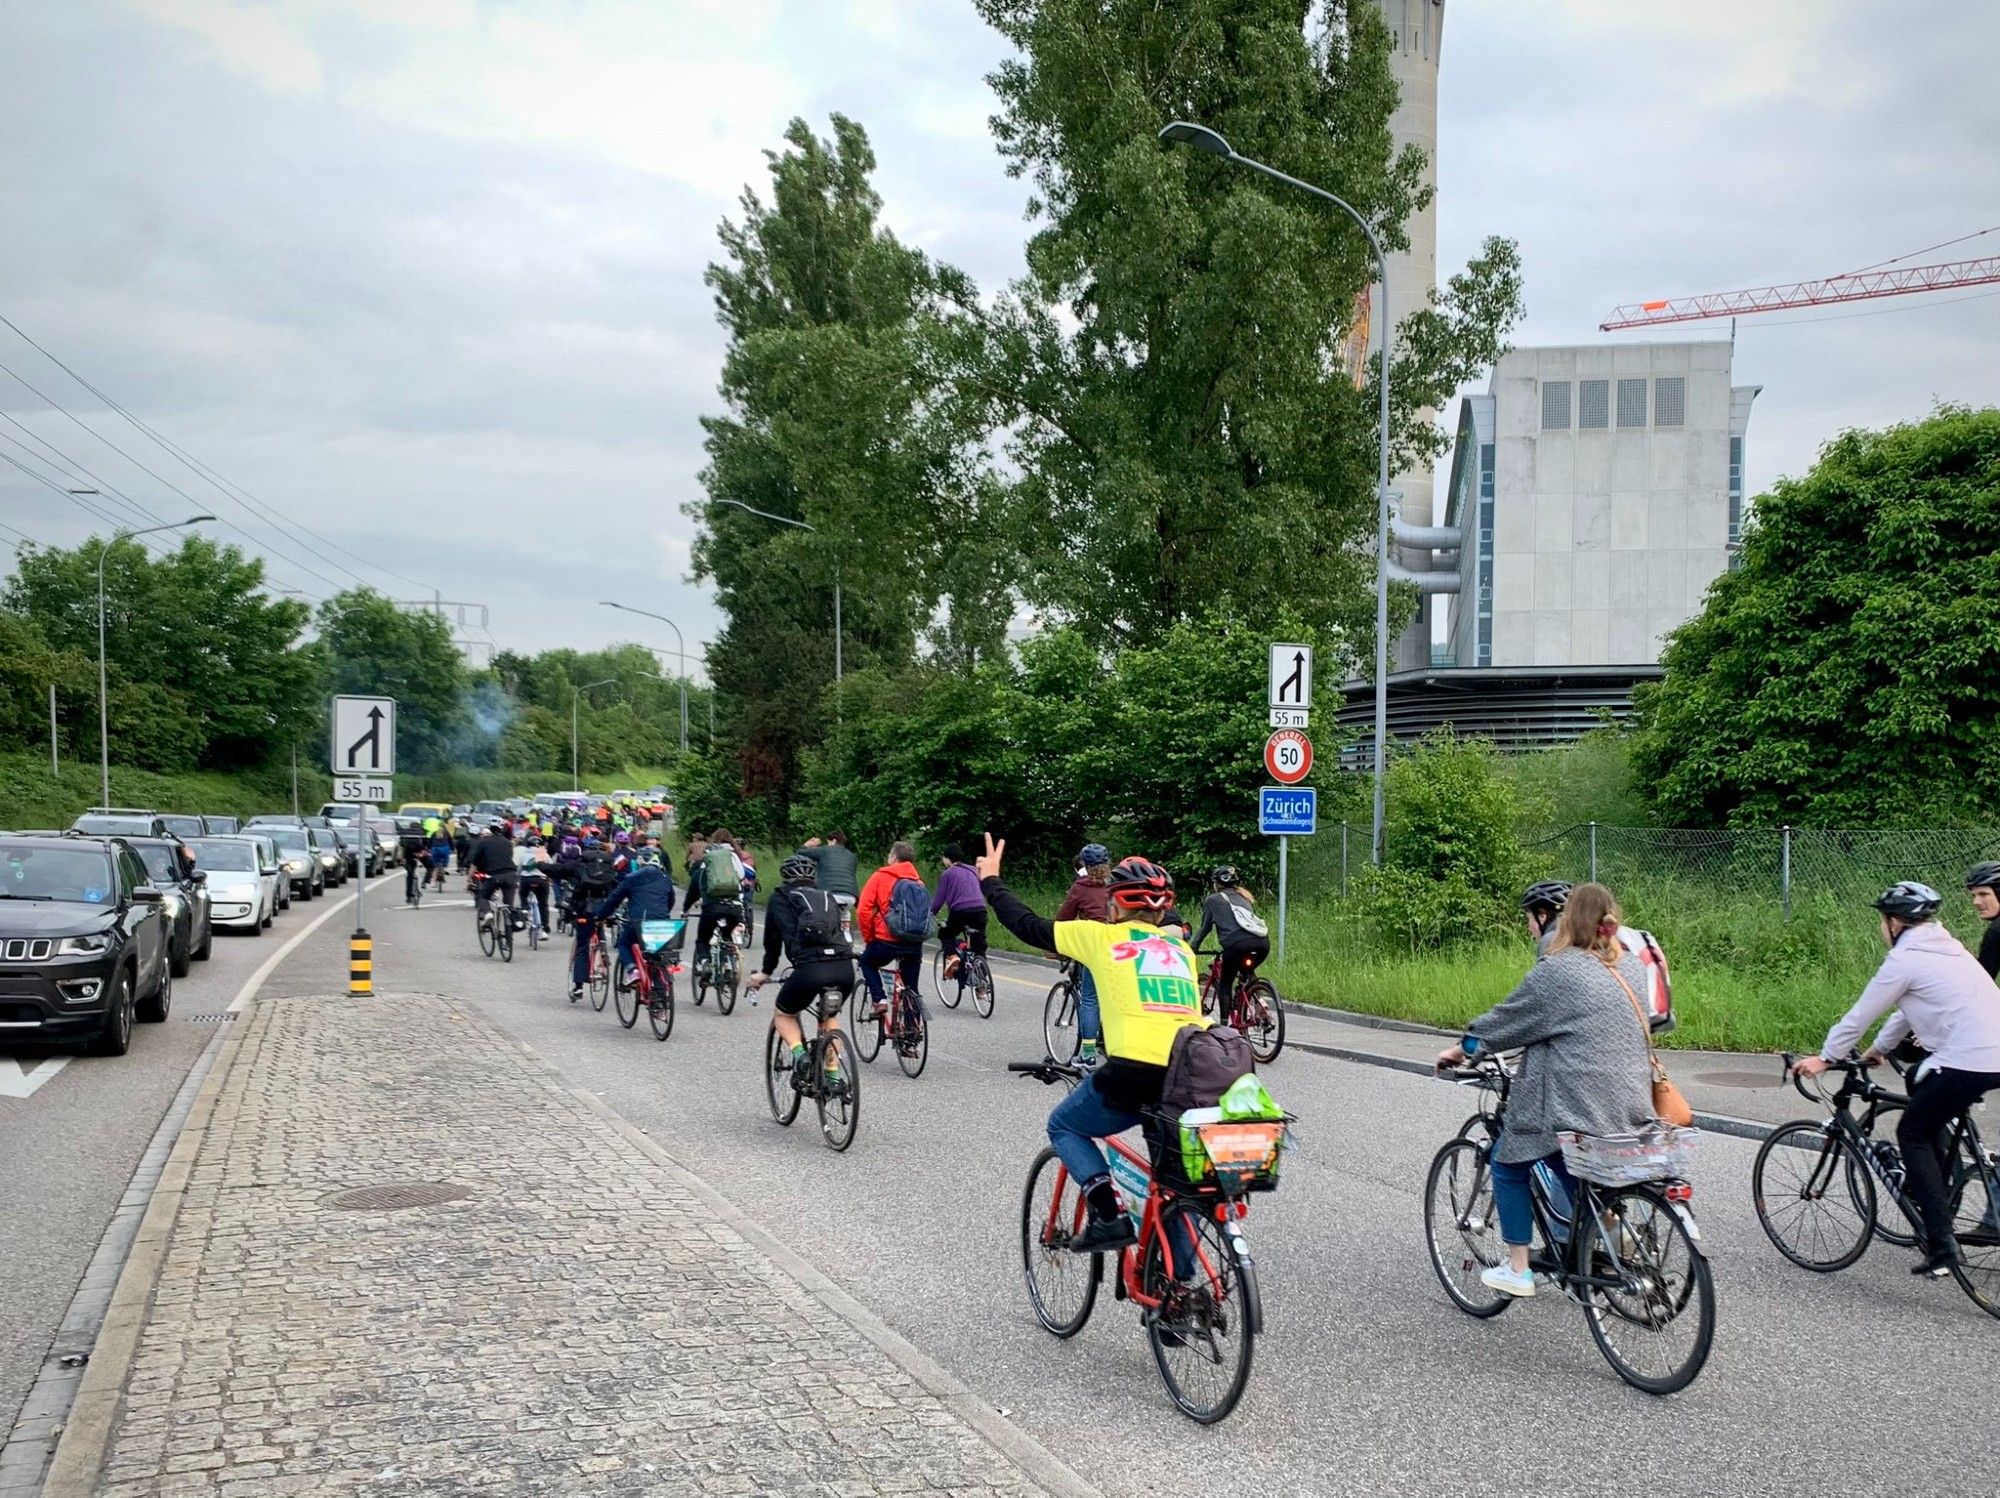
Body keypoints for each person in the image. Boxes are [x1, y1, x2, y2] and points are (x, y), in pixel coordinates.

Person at [982, 837, 1207, 1253]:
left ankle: (1110, 1215)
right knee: (1176, 1183)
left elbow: (1027, 924)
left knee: (1064, 1126)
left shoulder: (1102, 939)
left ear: (1115, 905)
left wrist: (992, 881)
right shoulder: (1180, 950)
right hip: (1189, 1074)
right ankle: (1185, 1295)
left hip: (1133, 1073)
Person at [1434, 882, 1658, 1299]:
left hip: (1580, 1105)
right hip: (1632, 1102)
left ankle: (1519, 1269)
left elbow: (1507, 1019)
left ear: (1564, 919)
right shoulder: (1628, 966)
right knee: (1565, 1162)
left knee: (1508, 1163)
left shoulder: (1560, 969)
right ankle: (1609, 1226)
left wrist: (1461, 1049)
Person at [1795, 882, 2000, 1277]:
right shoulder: (1949, 948)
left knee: (1913, 1132)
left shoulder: (1904, 960)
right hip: (1990, 1054)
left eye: (1881, 921)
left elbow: (1860, 1013)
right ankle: (1940, 1184)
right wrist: (1880, 1051)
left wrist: (1826, 1057)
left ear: (1893, 922)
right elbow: (1906, 1011)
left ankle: (1941, 1245)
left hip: (1967, 1058)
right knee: (1922, 1093)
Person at [746, 855, 857, 1090]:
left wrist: (765, 973)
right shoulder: (827, 897)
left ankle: (801, 1056)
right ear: (813, 877)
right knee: (830, 1016)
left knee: (784, 1013)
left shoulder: (779, 899)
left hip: (810, 970)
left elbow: (772, 943)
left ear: (785, 877)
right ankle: (834, 1078)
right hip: (844, 968)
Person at [856, 841, 927, 1029]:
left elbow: (863, 910)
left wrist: (869, 938)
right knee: (911, 988)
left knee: (867, 962)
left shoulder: (880, 877)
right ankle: (911, 1037)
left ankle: (879, 999)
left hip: (886, 940)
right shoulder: (918, 882)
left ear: (894, 857)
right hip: (914, 943)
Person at [1056, 844, 1114, 1059]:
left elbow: (1063, 919)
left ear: (1084, 864)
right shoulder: (1117, 883)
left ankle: (1087, 1054)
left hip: (1095, 947)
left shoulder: (1081, 887)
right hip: (1120, 946)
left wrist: (1055, 944)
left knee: (1090, 998)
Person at [1191, 866, 1271, 1015]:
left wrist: (1191, 948)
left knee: (1225, 984)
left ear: (1217, 883)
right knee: (1247, 970)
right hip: (1262, 943)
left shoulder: (1213, 900)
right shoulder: (1244, 896)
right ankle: (1261, 1003)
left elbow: (1204, 929)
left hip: (1237, 945)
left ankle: (1224, 1026)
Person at [551, 835, 623, 1000]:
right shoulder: (608, 866)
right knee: (599, 925)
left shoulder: (581, 865)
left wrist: (540, 864)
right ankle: (602, 948)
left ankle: (578, 987)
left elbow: (559, 870)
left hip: (585, 909)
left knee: (582, 946)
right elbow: (616, 887)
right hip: (604, 909)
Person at [592, 845, 676, 982]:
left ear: (640, 861)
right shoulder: (665, 877)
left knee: (623, 942)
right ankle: (661, 986)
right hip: (661, 924)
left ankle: (633, 970)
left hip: (638, 923)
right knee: (657, 952)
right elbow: (670, 900)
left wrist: (601, 916)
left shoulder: (631, 878)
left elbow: (614, 899)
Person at [691, 830, 747, 983]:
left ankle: (705, 963)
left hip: (712, 905)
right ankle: (728, 964)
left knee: (703, 937)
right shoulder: (734, 855)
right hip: (735, 904)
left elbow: (701, 881)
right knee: (727, 934)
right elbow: (741, 876)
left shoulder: (709, 856)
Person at [931, 843, 988, 986]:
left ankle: (953, 956)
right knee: (979, 947)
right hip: (980, 910)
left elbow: (938, 900)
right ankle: (981, 986)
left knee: (945, 934)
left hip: (960, 911)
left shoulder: (947, 874)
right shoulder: (974, 870)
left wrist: (930, 914)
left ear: (947, 859)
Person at [799, 832, 861, 938]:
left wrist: (807, 845)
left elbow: (801, 853)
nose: (827, 844)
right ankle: (847, 939)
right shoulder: (852, 856)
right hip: (850, 896)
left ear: (834, 841)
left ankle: (824, 942)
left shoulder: (824, 850)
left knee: (821, 920)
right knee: (844, 915)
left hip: (829, 894)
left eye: (828, 842)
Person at [467, 821, 519, 927]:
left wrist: (469, 879)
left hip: (493, 876)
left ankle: (488, 914)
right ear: (501, 829)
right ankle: (511, 926)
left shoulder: (483, 842)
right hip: (510, 875)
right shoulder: (508, 843)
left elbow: (475, 863)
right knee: (509, 904)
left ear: (490, 829)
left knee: (483, 896)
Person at [1519, 880, 1571, 959]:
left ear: (1542, 916)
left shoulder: (1550, 941)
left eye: (1529, 919)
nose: (1529, 928)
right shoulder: (1580, 942)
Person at [514, 830, 553, 934]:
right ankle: (545, 926)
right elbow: (551, 867)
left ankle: (525, 908)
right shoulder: (544, 854)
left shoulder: (524, 854)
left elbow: (519, 870)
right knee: (543, 904)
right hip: (542, 880)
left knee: (523, 895)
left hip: (526, 880)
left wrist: (518, 879)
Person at [1967, 863, 2000, 979]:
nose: (1976, 902)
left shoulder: (1996, 931)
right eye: (1974, 896)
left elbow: (1982, 982)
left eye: (1983, 894)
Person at [398, 819, 428, 904]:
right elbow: (426, 845)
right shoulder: (422, 834)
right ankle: (421, 885)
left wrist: (402, 859)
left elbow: (402, 846)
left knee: (410, 875)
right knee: (429, 866)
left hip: (408, 856)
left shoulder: (406, 835)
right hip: (420, 855)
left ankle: (409, 896)